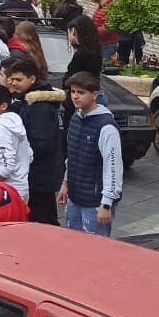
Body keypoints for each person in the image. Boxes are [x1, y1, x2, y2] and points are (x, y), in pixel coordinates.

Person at [59, 73, 123, 236]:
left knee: (95, 252)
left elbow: (113, 167)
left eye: (81, 93)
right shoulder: (76, 117)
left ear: (94, 95)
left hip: (95, 202)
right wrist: (66, 183)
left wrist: (107, 204)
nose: (75, 96)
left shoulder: (106, 127)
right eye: (73, 92)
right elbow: (72, 156)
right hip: (75, 197)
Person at [0, 85, 32, 203]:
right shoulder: (16, 122)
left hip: (8, 193)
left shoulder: (1, 128)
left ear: (3, 106)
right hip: (21, 189)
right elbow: (29, 154)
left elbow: (8, 165)